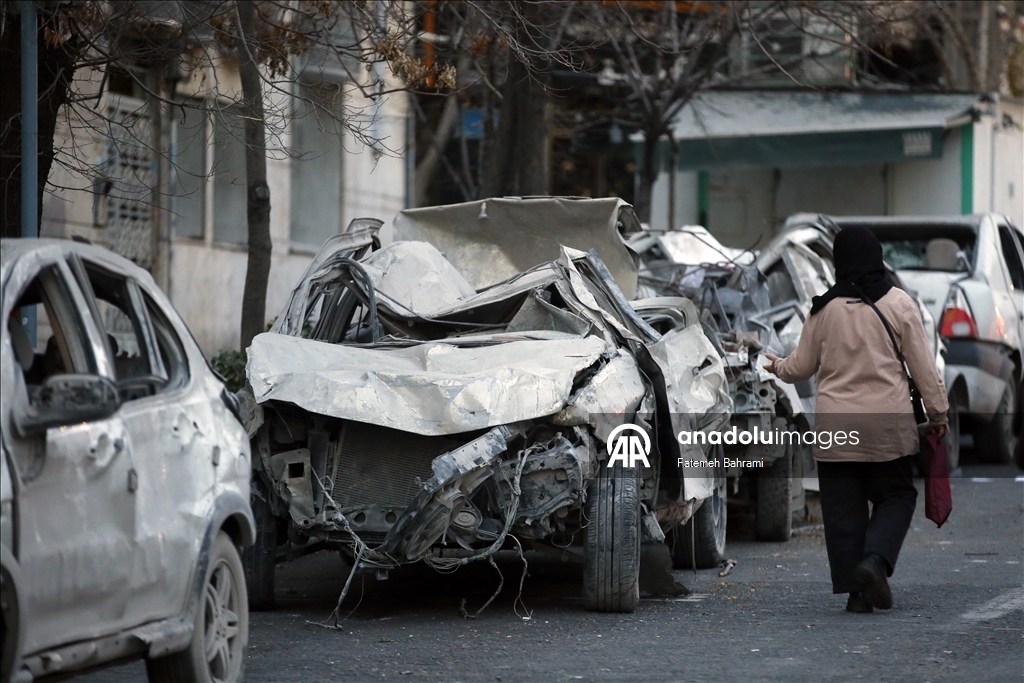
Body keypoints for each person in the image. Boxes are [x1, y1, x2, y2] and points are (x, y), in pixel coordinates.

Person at [764, 226, 948, 614]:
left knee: (843, 508)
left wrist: (777, 366)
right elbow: (923, 368)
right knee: (895, 495)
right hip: (887, 426)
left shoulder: (824, 308)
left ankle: (856, 593)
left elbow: (800, 367)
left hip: (835, 426)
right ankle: (875, 561)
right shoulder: (899, 304)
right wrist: (938, 413)